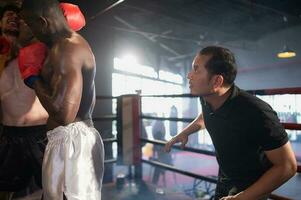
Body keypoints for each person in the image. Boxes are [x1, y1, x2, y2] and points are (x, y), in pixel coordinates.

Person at [164, 46, 297, 200]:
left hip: (252, 187)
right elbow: (205, 115)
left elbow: (288, 166)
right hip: (225, 179)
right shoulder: (207, 97)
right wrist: (185, 132)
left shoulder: (256, 112)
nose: (189, 75)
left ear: (216, 81)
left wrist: (241, 198)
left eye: (196, 69)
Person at [19, 0, 104, 199]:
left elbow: (64, 114)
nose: (32, 32)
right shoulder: (64, 46)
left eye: (31, 25)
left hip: (72, 145)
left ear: (42, 23)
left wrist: (33, 79)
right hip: (70, 142)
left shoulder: (67, 50)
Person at [0, 4, 48, 200]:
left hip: (41, 134)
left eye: (17, 15)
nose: (13, 17)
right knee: (3, 189)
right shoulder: (1, 58)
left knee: (55, 187)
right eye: (7, 15)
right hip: (10, 134)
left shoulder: (39, 49)